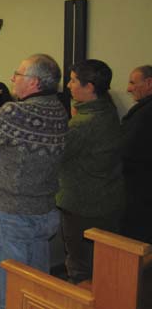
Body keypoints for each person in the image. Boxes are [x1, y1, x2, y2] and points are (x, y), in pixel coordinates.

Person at [0, 54, 68, 309]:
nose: (12, 78)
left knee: (7, 293)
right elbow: (24, 146)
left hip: (12, 213)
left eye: (18, 74)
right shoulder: (59, 111)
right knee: (34, 289)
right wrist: (0, 145)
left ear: (34, 82)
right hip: (44, 210)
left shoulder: (16, 112)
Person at [57, 59, 124, 283]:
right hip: (108, 199)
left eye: (73, 81)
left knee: (79, 267)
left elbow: (57, 155)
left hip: (82, 205)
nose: (68, 85)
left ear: (90, 87)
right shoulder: (109, 111)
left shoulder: (82, 124)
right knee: (104, 265)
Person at [121, 65, 152, 243]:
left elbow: (128, 150)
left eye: (133, 83)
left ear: (149, 83)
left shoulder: (145, 114)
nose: (128, 89)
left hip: (141, 193)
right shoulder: (143, 110)